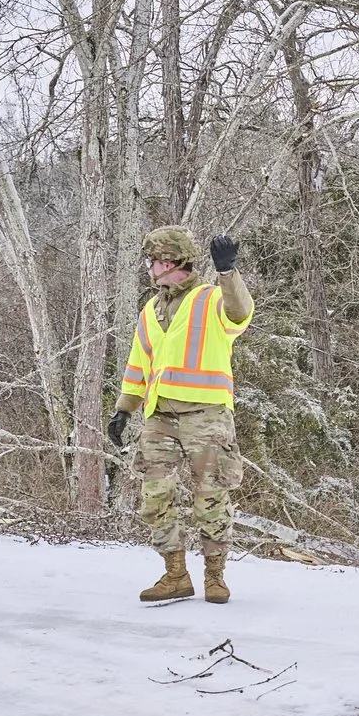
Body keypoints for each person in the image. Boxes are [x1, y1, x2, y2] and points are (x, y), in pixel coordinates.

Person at [109, 227, 252, 604]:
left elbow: (240, 313)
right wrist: (124, 409)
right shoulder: (151, 310)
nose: (149, 268)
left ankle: (215, 577)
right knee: (154, 496)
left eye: (153, 261)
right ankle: (175, 574)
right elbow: (138, 364)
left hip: (206, 416)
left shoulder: (210, 299)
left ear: (169, 262)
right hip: (160, 417)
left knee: (211, 498)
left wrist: (228, 272)